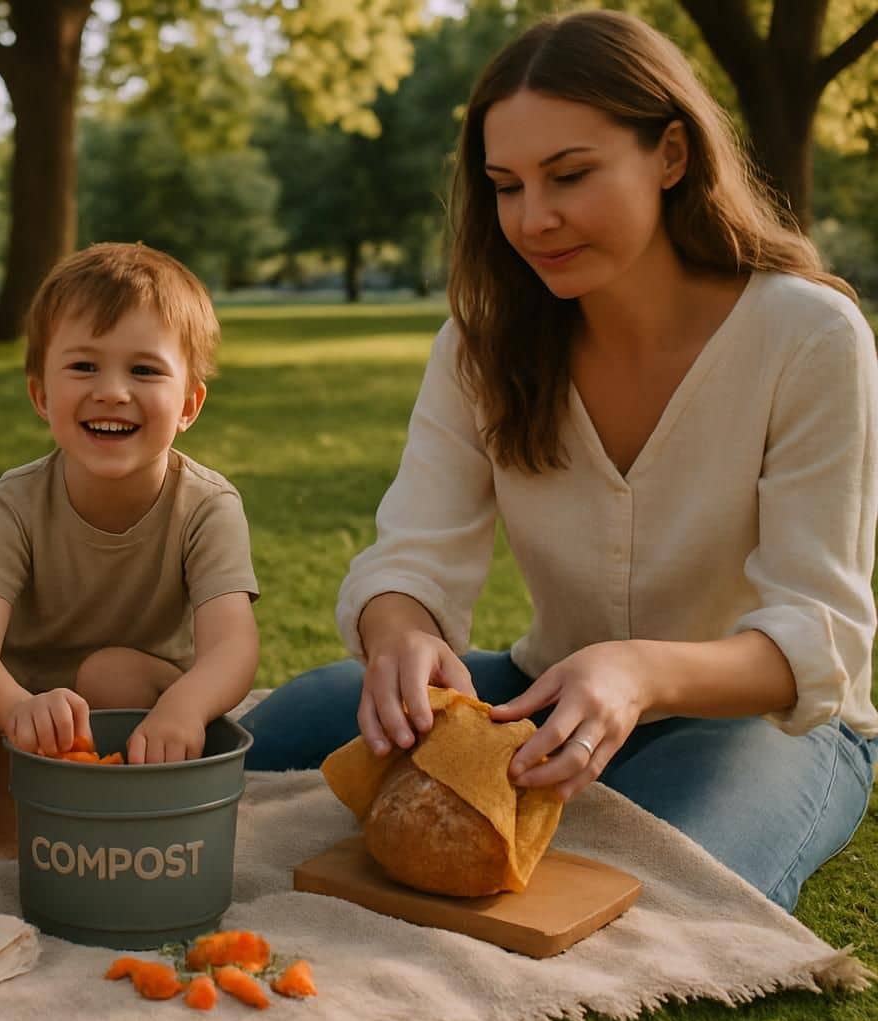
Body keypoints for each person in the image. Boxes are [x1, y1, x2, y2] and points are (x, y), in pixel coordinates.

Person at [240, 9, 878, 913]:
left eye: (570, 175)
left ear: (670, 154)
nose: (533, 220)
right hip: (546, 690)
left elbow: (822, 634)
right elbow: (412, 555)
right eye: (506, 186)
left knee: (654, 887)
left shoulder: (809, 335)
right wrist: (401, 635)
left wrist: (638, 673)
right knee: (279, 731)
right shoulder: (482, 345)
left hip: (764, 723)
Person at [0, 242, 260, 862]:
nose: (112, 392)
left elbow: (233, 645)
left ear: (189, 404)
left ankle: (131, 803)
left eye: (144, 371)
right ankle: (8, 802)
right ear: (40, 395)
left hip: (146, 705)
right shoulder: (16, 503)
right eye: (84, 367)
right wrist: (19, 710)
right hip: (27, 715)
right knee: (9, 699)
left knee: (108, 672)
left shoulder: (207, 506)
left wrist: (187, 707)